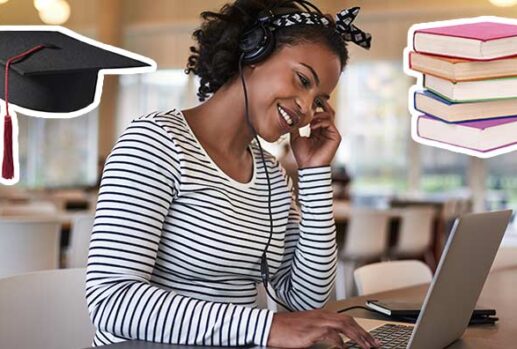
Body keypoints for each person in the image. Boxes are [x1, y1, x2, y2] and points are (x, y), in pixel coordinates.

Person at [85, 1, 380, 348]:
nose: (305, 108)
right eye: (302, 80)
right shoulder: (154, 142)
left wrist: (314, 174)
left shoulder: (270, 175)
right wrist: (266, 328)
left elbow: (306, 302)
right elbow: (111, 301)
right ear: (253, 50)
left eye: (318, 100)